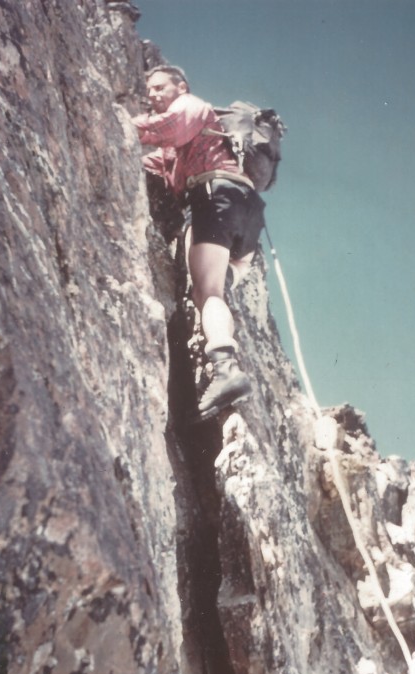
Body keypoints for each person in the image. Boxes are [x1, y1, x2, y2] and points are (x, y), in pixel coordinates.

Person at [133, 65, 267, 420]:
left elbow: (169, 128)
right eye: (150, 91)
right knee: (222, 281)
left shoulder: (192, 105)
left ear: (181, 86)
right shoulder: (190, 147)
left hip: (216, 193)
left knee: (208, 294)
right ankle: (225, 355)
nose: (153, 95)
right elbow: (158, 160)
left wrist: (121, 120)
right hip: (249, 212)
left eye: (160, 88)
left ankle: (226, 370)